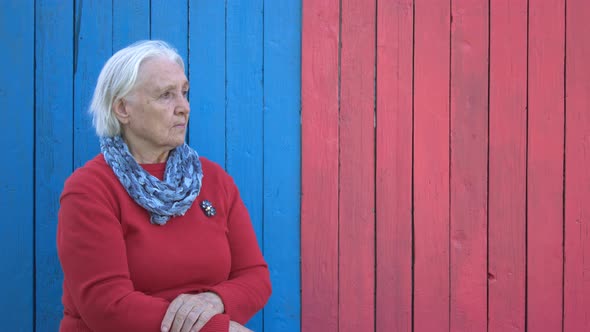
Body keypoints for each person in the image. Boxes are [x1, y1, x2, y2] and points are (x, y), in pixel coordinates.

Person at [57, 40, 271, 332]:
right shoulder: (90, 190)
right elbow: (107, 307)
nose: (183, 107)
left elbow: (254, 276)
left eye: (184, 93)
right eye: (165, 95)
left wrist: (215, 300)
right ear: (122, 109)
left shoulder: (213, 180)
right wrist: (218, 329)